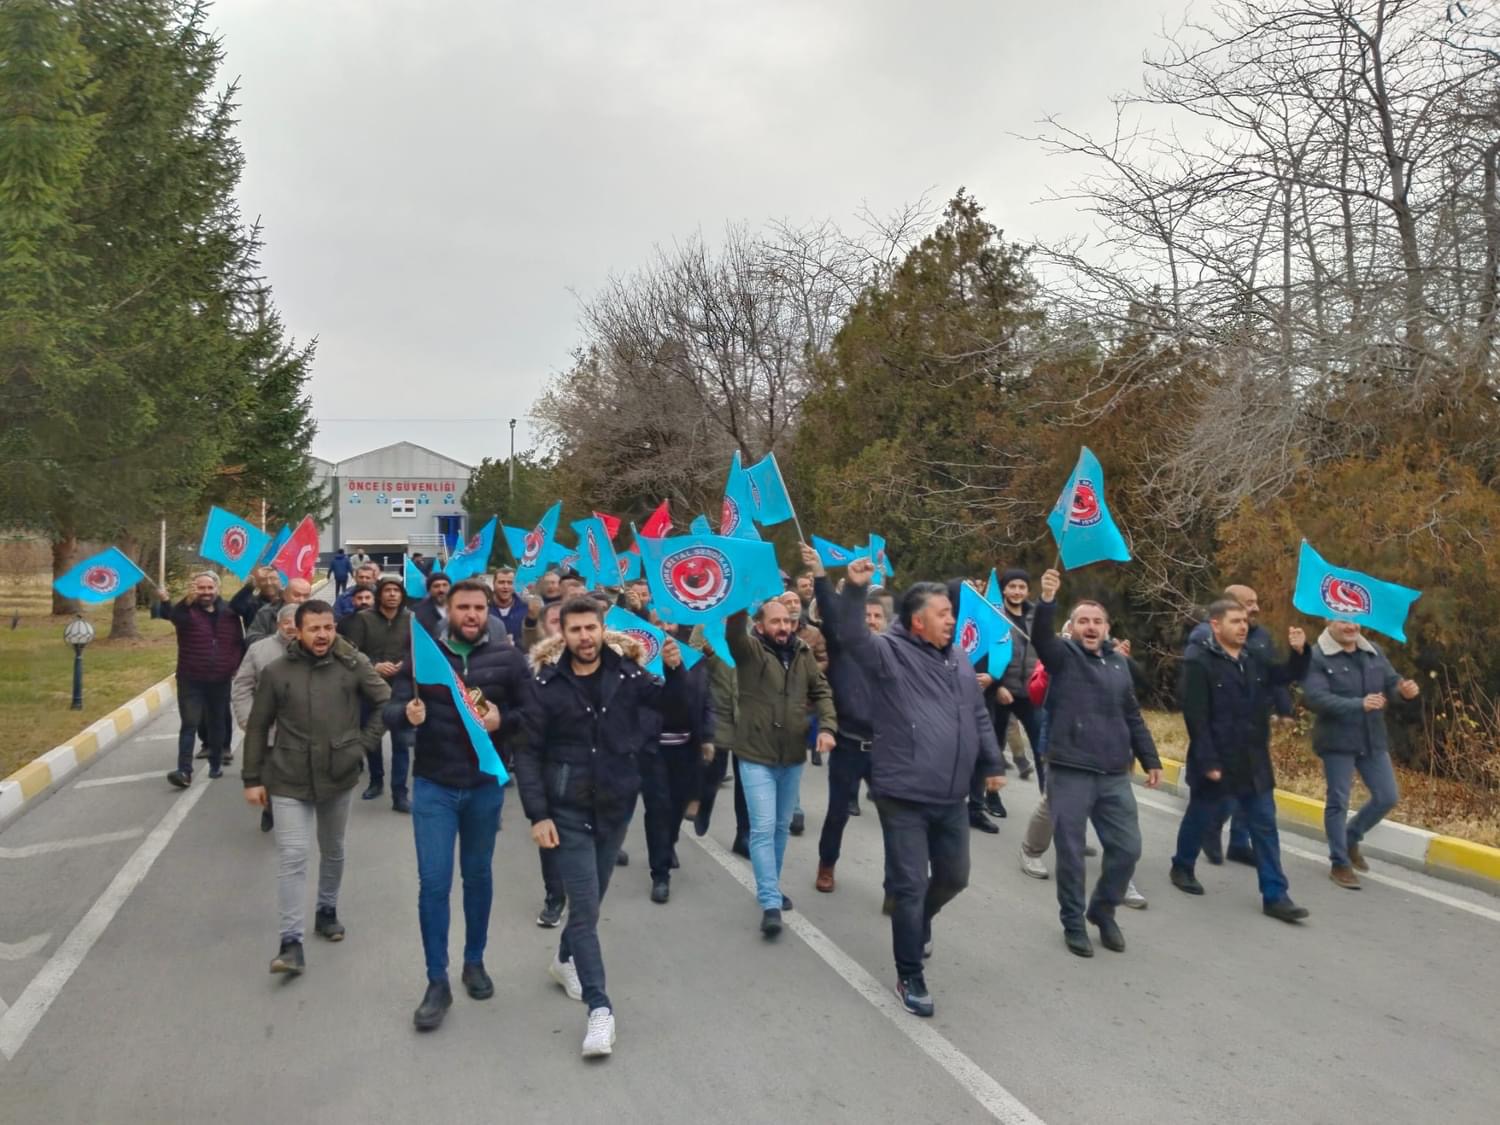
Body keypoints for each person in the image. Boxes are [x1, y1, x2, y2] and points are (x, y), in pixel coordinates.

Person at [835, 559, 1004, 1017]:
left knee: (954, 877)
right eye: (944, 612)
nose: (953, 618)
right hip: (903, 794)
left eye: (953, 611)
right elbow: (850, 636)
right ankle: (909, 972)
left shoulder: (959, 658)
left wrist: (991, 761)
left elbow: (977, 714)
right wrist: (853, 589)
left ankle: (920, 920)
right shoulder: (888, 652)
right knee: (910, 885)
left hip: (951, 796)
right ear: (917, 620)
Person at [520, 597, 686, 1059]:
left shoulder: (629, 674)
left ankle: (562, 959)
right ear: (563, 635)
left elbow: (673, 709)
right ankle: (600, 1009)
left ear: (601, 628)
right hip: (568, 809)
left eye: (591, 628)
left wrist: (675, 670)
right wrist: (539, 814)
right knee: (587, 909)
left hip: (616, 805)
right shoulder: (546, 685)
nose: (585, 638)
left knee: (592, 901)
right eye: (575, 631)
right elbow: (528, 753)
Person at [383, 579, 530, 1032]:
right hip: (434, 787)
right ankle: (435, 981)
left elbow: (533, 712)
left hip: (484, 786)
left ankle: (474, 961)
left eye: (479, 607)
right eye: (463, 607)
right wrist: (403, 715)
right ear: (447, 610)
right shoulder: (427, 654)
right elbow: (389, 708)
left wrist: (503, 718)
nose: (471, 614)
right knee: (433, 883)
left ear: (488, 611)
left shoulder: (508, 658)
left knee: (478, 877)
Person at [241, 600, 390, 976]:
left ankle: (327, 910)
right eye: (314, 628)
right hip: (287, 776)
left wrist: (361, 744)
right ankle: (290, 943)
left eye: (328, 627)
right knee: (293, 855)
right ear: (298, 631)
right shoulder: (277, 672)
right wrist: (252, 778)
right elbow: (258, 726)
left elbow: (385, 702)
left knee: (334, 849)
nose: (322, 635)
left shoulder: (351, 666)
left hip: (339, 775)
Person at [1033, 568, 1161, 958]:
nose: (1091, 627)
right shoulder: (1062, 656)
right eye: (1083, 621)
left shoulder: (1118, 664)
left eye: (1098, 621)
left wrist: (1150, 758)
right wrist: (1048, 600)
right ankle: (1073, 923)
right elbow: (1041, 639)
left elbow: (1133, 714)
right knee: (1071, 854)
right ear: (1071, 627)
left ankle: (1102, 912)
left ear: (1107, 628)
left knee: (1127, 849)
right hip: (1070, 770)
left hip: (1112, 773)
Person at [1169, 600, 1311, 922]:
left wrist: (1301, 652)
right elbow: (1196, 717)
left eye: (1245, 621)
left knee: (1265, 825)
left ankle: (1275, 895)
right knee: (1201, 815)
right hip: (1218, 757)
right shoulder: (1200, 662)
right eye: (1235, 621)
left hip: (1253, 758)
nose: (1243, 626)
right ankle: (1182, 865)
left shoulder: (1254, 658)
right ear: (1216, 625)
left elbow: (1285, 675)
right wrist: (1208, 761)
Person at [727, 597, 836, 938]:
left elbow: (822, 691)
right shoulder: (749, 651)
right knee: (761, 828)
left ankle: (769, 884)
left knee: (779, 827)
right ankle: (771, 901)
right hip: (755, 754)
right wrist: (738, 596)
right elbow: (733, 634)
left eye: (788, 621)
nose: (783, 627)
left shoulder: (803, 653)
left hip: (791, 756)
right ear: (759, 626)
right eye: (775, 622)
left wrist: (828, 728)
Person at [1302, 617, 1420, 890]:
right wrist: (1359, 704)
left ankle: (1351, 836)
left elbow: (1391, 681)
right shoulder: (1317, 656)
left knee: (1387, 796)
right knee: (1338, 801)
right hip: (1337, 740)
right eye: (1344, 621)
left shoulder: (1374, 651)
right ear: (1328, 620)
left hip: (1372, 738)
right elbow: (1315, 698)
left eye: (1356, 621)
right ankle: (1339, 862)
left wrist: (1404, 691)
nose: (1351, 627)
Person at [1187, 584, 1294, 866]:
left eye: (1256, 604)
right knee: (1216, 800)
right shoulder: (1203, 639)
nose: (1255, 609)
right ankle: (1197, 846)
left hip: (1251, 737)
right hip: (1220, 738)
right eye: (1249, 604)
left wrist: (1284, 708)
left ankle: (1241, 846)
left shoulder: (1260, 639)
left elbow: (1274, 675)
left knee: (1259, 808)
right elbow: (1195, 703)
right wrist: (1206, 756)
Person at [802, 544, 881, 894]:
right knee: (838, 813)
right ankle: (826, 865)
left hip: (886, 748)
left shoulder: (896, 652)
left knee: (898, 819)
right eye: (867, 616)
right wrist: (823, 575)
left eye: (879, 617)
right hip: (848, 742)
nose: (873, 621)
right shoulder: (842, 644)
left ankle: (898, 881)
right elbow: (835, 616)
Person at [159, 573, 246, 788]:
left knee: (217, 723)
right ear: (193, 589)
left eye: (209, 588)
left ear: (217, 588)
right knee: (189, 723)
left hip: (220, 679)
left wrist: (233, 665)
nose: (206, 592)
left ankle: (215, 763)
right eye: (201, 588)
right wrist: (174, 600)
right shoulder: (186, 612)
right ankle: (184, 771)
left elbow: (237, 642)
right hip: (191, 678)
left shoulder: (229, 612)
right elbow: (173, 616)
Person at [969, 568, 1040, 830]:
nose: (1017, 591)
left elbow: (1044, 648)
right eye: (1012, 587)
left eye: (1022, 587)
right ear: (1004, 590)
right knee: (992, 748)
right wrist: (996, 684)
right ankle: (987, 799)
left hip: (1030, 692)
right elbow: (983, 651)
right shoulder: (992, 614)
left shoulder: (1035, 616)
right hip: (999, 691)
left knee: (1042, 747)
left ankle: (1053, 806)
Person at [343, 575, 415, 812]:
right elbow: (352, 652)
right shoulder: (363, 619)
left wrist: (404, 664)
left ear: (402, 595)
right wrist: (374, 666)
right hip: (370, 687)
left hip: (402, 687)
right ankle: (376, 781)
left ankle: (400, 793)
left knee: (401, 742)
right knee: (372, 737)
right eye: (388, 590)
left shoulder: (411, 618)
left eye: (397, 590)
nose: (392, 594)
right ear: (379, 595)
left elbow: (417, 651)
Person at [232, 603, 299, 832]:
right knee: (269, 776)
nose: (292, 627)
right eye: (287, 622)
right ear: (278, 624)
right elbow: (242, 687)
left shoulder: (315, 649)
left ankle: (292, 815)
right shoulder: (259, 650)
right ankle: (270, 808)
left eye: (297, 622)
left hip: (302, 729)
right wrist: (248, 720)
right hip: (268, 728)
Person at [249, 577, 312, 644]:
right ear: (284, 595)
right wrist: (280, 638)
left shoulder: (315, 613)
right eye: (296, 595)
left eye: (306, 596)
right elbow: (251, 638)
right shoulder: (267, 612)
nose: (301, 600)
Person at [229, 566, 283, 632]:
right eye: (263, 580)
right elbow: (234, 608)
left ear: (280, 581)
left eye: (272, 578)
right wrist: (249, 587)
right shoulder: (253, 603)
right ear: (257, 583)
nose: (269, 583)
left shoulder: (288, 601)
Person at [490, 566, 526, 646]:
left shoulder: (526, 608)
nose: (505, 587)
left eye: (510, 583)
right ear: (494, 584)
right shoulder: (484, 608)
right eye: (501, 582)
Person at [413, 571, 452, 638]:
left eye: (445, 585)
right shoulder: (417, 612)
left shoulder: (463, 607)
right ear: (429, 590)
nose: (441, 590)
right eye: (436, 586)